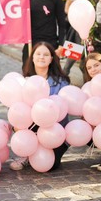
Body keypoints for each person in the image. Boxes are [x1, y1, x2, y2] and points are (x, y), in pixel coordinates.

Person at [11, 42, 71, 172]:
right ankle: (26, 153)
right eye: (38, 54)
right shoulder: (24, 82)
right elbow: (17, 109)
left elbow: (63, 113)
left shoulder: (61, 82)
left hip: (54, 131)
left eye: (46, 54)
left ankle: (37, 153)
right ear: (32, 58)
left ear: (51, 59)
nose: (41, 57)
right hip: (30, 130)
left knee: (51, 165)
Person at [22, 0, 65, 69]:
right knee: (28, 74)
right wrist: (23, 1)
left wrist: (61, 45)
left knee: (52, 75)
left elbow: (62, 23)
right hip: (31, 43)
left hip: (50, 43)